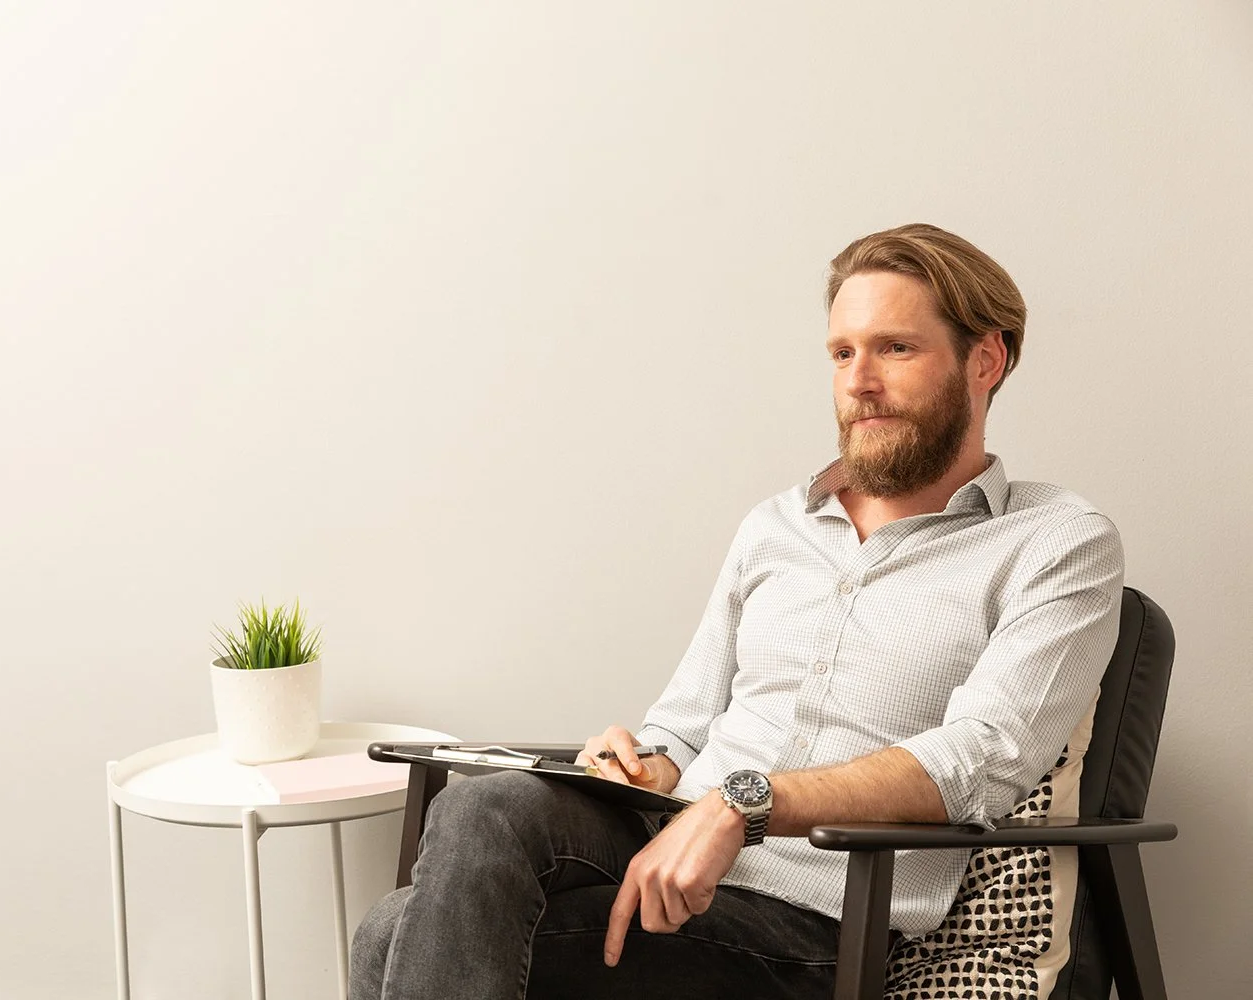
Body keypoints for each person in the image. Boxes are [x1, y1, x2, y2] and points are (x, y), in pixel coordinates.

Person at [349, 223, 1124, 1000]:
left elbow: (981, 760)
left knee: (390, 932)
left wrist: (742, 806)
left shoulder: (1057, 542)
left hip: (818, 920)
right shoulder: (776, 526)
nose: (859, 381)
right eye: (842, 353)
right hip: (663, 843)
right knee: (484, 804)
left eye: (895, 348)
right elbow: (682, 727)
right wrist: (642, 762)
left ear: (985, 360)